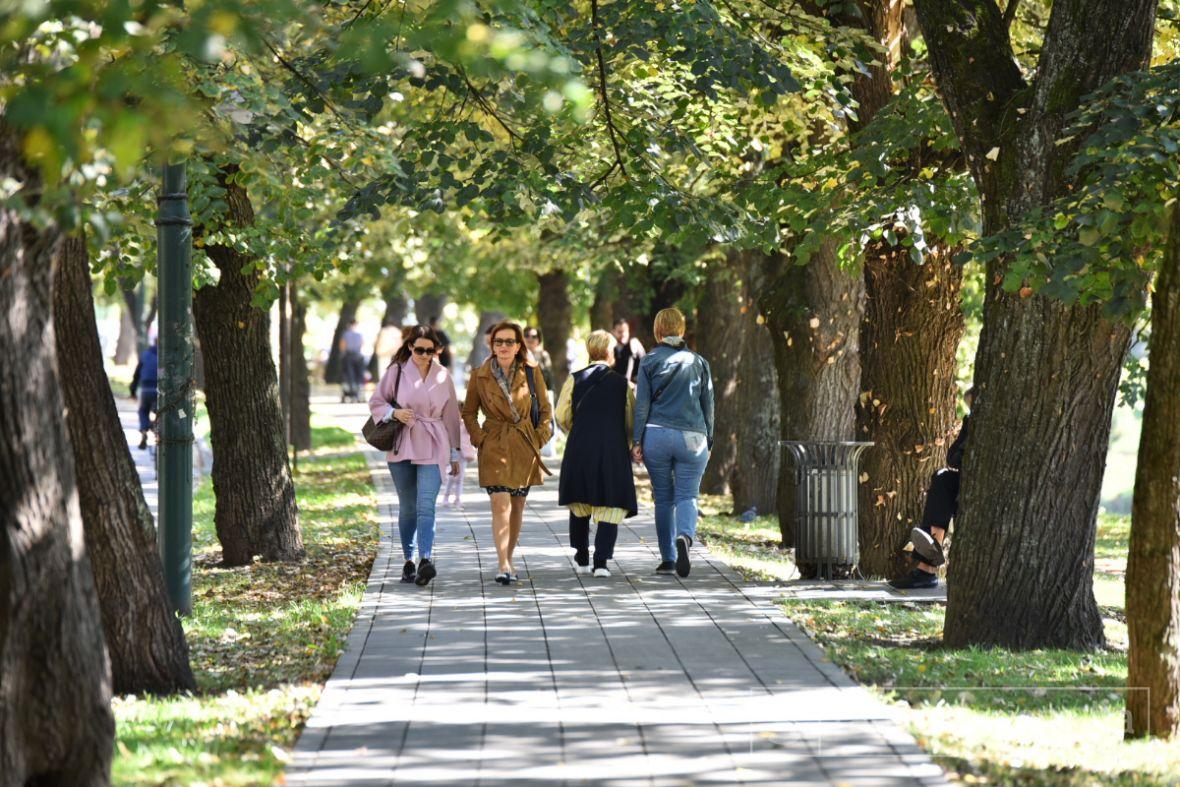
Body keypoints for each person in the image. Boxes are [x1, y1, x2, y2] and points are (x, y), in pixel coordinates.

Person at [369, 325, 462, 587]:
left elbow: (452, 416)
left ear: (437, 351)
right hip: (402, 444)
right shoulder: (396, 372)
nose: (423, 355)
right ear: (410, 347)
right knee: (408, 507)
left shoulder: (444, 376)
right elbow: (377, 402)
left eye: (429, 350)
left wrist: (455, 452)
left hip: (434, 445)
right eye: (419, 349)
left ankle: (425, 559)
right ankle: (408, 560)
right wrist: (394, 413)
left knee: (426, 506)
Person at [462, 321, 553, 585]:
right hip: (494, 443)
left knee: (517, 505)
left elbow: (546, 410)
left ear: (518, 346)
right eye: (498, 341)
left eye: (509, 342)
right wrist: (480, 438)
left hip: (524, 444)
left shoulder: (532, 372)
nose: (503, 346)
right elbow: (468, 412)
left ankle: (509, 558)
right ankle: (502, 563)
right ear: (491, 345)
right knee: (499, 503)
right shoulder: (479, 374)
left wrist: (539, 437)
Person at [632, 308, 714, 578]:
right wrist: (709, 439)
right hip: (693, 437)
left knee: (663, 498)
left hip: (657, 434)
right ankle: (686, 537)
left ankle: (668, 558)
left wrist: (636, 440)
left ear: (657, 331)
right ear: (682, 330)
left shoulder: (649, 361)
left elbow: (642, 405)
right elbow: (708, 405)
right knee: (688, 494)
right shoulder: (699, 362)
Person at [556, 330, 637, 578]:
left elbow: (561, 415)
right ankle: (601, 562)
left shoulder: (574, 379)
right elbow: (629, 420)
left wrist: (577, 429)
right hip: (612, 448)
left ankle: (581, 556)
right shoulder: (622, 383)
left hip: (580, 446)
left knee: (580, 501)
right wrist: (628, 440)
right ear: (609, 352)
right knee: (610, 503)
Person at [890, 388, 975, 590]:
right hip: (966, 479)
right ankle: (927, 563)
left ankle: (928, 561)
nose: (972, 411)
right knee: (942, 478)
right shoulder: (971, 422)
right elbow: (952, 457)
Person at [524, 326, 558, 458]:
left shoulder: (543, 355)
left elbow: (549, 378)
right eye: (527, 336)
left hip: (541, 395)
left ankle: (543, 446)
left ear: (538, 339)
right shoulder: (518, 355)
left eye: (534, 336)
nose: (530, 339)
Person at [129, 337, 159, 450]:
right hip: (159, 390)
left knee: (143, 410)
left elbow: (136, 375)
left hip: (146, 389)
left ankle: (144, 430)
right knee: (161, 411)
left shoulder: (145, 355)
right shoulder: (166, 356)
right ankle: (157, 427)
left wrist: (132, 391)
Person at [442, 420, 477, 510]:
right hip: (452, 452)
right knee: (451, 477)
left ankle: (457, 500)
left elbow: (472, 432)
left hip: (463, 453)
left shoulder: (465, 424)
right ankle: (446, 497)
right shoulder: (449, 423)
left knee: (459, 478)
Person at [611, 317, 646, 385]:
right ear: (613, 332)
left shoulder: (634, 346)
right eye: (619, 332)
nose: (623, 335)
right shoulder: (611, 349)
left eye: (625, 331)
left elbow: (645, 366)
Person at [340, 319, 366, 403]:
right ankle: (359, 394)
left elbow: (342, 346)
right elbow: (362, 345)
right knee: (359, 376)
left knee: (349, 375)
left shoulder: (345, 334)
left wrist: (343, 355)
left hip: (348, 356)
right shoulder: (359, 335)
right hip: (358, 356)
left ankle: (350, 395)